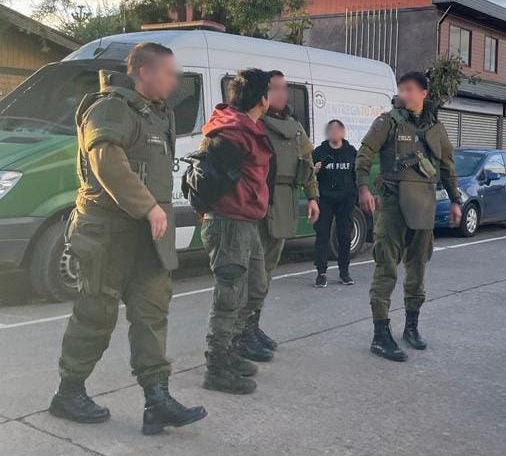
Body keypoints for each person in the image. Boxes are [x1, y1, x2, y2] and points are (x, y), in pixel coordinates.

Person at [50, 43, 207, 434]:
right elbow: (106, 161)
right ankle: (68, 392)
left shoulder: (155, 113)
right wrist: (148, 207)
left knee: (152, 313)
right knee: (96, 314)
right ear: (144, 72)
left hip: (147, 236)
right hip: (108, 231)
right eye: (169, 73)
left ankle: (157, 400)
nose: (174, 81)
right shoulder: (110, 108)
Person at [357, 71, 462, 362]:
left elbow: (447, 167)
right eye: (401, 89)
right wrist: (363, 188)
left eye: (410, 89)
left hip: (424, 206)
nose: (404, 94)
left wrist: (456, 200)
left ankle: (411, 327)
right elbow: (364, 154)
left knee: (417, 269)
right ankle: (380, 334)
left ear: (424, 93)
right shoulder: (387, 122)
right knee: (386, 268)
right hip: (392, 205)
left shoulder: (436, 128)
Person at [233, 70, 320, 362]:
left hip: (285, 201)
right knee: (252, 271)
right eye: (275, 88)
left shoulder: (295, 127)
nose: (282, 94)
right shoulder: (254, 122)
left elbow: (307, 162)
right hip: (260, 201)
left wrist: (313, 197)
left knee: (267, 270)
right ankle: (240, 332)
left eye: (285, 88)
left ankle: (252, 325)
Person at [200, 69, 274, 394]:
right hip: (229, 222)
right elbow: (209, 179)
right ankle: (217, 366)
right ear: (262, 99)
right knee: (229, 297)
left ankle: (232, 346)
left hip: (246, 221)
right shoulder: (232, 132)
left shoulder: (248, 128)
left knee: (255, 288)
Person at [312, 119, 358, 288]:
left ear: (343, 132)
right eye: (331, 130)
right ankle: (321, 273)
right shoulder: (319, 152)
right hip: (325, 199)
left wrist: (355, 196)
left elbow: (356, 175)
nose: (334, 133)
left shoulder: (351, 152)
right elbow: (309, 175)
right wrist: (315, 169)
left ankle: (344, 272)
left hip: (345, 200)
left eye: (338, 130)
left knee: (345, 236)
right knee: (322, 235)